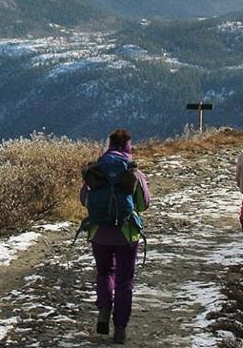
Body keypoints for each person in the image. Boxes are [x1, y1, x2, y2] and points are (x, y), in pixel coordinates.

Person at [79, 128, 152, 344]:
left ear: (108, 145)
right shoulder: (132, 172)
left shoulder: (97, 169)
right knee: (124, 281)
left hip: (99, 232)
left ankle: (103, 311)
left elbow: (84, 198)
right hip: (126, 234)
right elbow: (144, 203)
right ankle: (120, 328)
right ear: (128, 146)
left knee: (104, 272)